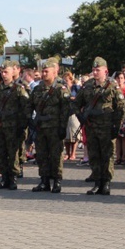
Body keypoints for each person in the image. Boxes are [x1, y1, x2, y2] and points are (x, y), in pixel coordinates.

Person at [73, 57, 125, 195]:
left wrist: (117, 126)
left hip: (107, 127)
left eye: (98, 70)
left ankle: (106, 182)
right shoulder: (87, 86)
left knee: (107, 155)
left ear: (105, 71)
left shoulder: (112, 86)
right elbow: (75, 103)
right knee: (94, 155)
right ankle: (97, 182)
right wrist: (80, 117)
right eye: (93, 70)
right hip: (91, 127)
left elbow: (121, 108)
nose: (95, 72)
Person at [28, 58, 72, 193]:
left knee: (56, 155)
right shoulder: (37, 89)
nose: (44, 74)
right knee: (41, 154)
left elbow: (66, 110)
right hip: (41, 127)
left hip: (54, 127)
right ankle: (44, 181)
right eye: (43, 71)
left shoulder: (60, 89)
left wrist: (62, 127)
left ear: (54, 73)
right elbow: (30, 106)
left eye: (47, 71)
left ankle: (57, 181)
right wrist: (30, 121)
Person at [0, 60, 29, 190]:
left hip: (13, 127)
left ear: (12, 73)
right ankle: (4, 178)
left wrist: (22, 125)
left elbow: (26, 108)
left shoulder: (18, 89)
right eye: (2, 72)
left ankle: (13, 178)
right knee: (1, 153)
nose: (3, 74)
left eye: (6, 72)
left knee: (13, 153)